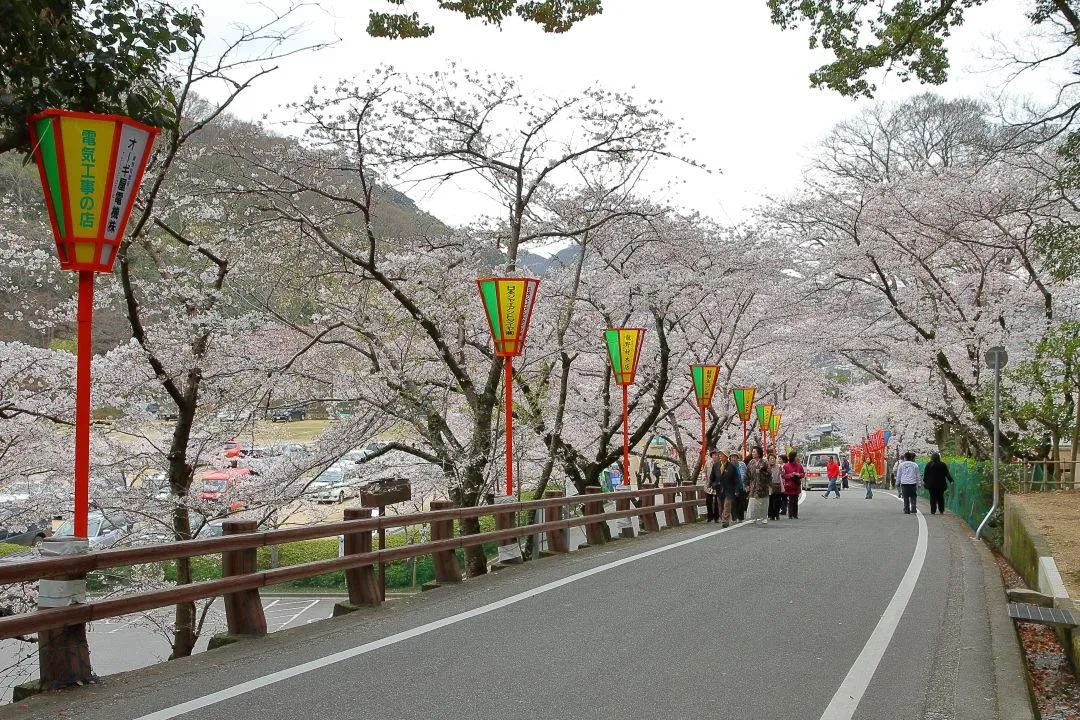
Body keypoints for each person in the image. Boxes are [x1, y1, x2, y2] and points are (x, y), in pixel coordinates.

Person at [747, 446, 771, 525]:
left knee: (763, 502)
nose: (753, 453)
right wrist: (747, 483)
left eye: (754, 452)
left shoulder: (765, 462)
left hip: (763, 485)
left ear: (759, 453)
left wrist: (762, 471)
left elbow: (769, 474)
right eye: (752, 452)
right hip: (753, 485)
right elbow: (748, 474)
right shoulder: (751, 462)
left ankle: (764, 517)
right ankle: (754, 517)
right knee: (753, 502)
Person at [719, 451, 741, 527]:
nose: (721, 456)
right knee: (721, 504)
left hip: (730, 488)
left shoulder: (732, 467)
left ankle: (725, 521)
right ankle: (724, 517)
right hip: (720, 489)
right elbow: (713, 477)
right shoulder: (716, 465)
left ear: (726, 456)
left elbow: (736, 479)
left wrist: (737, 489)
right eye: (720, 455)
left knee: (727, 504)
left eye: (723, 455)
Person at [782, 450, 805, 519]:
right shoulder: (786, 466)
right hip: (790, 485)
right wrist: (791, 475)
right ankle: (790, 514)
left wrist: (799, 475)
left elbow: (803, 474)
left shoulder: (799, 466)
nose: (797, 457)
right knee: (791, 500)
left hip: (796, 484)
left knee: (795, 500)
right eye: (796, 456)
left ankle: (795, 514)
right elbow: (783, 475)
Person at [705, 450, 723, 523]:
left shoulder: (721, 464)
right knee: (708, 501)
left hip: (718, 485)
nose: (715, 456)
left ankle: (716, 517)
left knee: (717, 502)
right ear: (711, 456)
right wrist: (704, 476)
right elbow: (704, 471)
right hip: (709, 484)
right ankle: (709, 517)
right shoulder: (708, 463)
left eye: (716, 455)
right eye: (713, 455)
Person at [768, 452, 785, 520]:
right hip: (769, 486)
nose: (772, 460)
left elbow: (783, 474)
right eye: (771, 459)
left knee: (777, 501)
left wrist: (782, 471)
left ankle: (776, 514)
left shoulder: (778, 467)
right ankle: (771, 515)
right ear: (768, 460)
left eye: (773, 458)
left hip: (777, 485)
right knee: (770, 501)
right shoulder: (767, 467)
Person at [733, 452, 749, 522]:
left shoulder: (742, 464)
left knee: (741, 502)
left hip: (742, 486)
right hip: (733, 487)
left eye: (735, 457)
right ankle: (734, 517)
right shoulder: (730, 465)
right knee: (733, 502)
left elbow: (746, 474)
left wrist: (746, 484)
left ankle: (740, 518)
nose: (733, 459)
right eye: (732, 457)